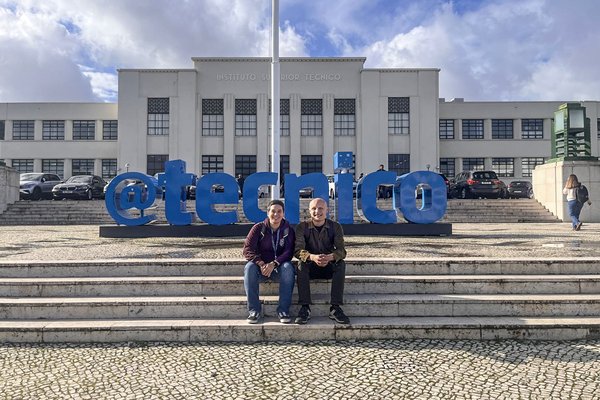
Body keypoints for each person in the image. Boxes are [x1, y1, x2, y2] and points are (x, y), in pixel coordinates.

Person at [294, 197, 350, 325]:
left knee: (341, 264)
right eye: (314, 208)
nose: (317, 211)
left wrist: (331, 257)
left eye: (320, 208)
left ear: (327, 210)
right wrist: (312, 257)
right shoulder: (302, 227)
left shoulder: (335, 227)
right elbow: (297, 250)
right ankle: (305, 307)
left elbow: (342, 251)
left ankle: (335, 308)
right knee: (301, 264)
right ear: (309, 211)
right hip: (311, 266)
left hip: (328, 265)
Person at [243, 200, 296, 324]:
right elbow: (247, 250)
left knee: (288, 267)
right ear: (268, 213)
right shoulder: (258, 228)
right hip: (260, 268)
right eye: (273, 211)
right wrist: (261, 264)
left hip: (279, 268)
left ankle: (283, 310)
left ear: (283, 213)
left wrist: (274, 263)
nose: (276, 214)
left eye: (279, 211)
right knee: (249, 268)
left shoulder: (288, 230)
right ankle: (254, 310)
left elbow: (289, 252)